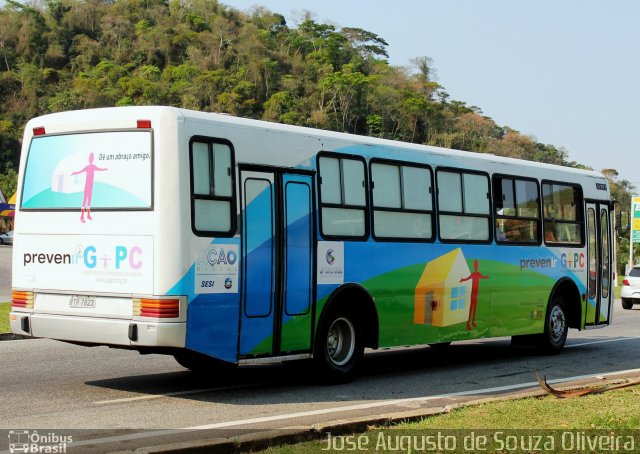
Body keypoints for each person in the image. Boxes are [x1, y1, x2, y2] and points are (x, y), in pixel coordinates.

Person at [71, 152, 107, 223]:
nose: (91, 159)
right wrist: (75, 173)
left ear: (92, 159)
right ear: (90, 159)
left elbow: (100, 169)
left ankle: (88, 215)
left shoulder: (93, 166)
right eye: (91, 158)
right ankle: (82, 216)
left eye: (92, 158)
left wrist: (104, 169)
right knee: (85, 201)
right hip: (87, 186)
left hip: (90, 187)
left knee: (89, 201)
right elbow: (80, 171)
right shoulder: (88, 167)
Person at [460, 260, 489, 331]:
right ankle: (468, 323)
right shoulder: (474, 274)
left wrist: (487, 277)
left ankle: (473, 322)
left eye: (476, 265)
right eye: (475, 265)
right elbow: (467, 279)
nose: (476, 266)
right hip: (473, 293)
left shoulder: (477, 274)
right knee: (471, 308)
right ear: (475, 266)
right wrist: (463, 280)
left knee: (474, 308)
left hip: (476, 293)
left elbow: (483, 277)